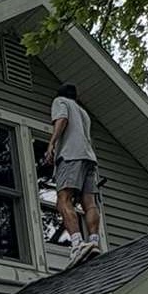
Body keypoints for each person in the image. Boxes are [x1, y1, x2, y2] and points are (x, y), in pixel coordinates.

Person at [42, 82, 104, 263]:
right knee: (89, 203)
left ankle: (77, 244)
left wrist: (51, 143)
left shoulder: (59, 101)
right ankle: (94, 242)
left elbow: (62, 120)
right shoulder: (83, 113)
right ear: (75, 96)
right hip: (89, 157)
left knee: (63, 200)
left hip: (70, 155)